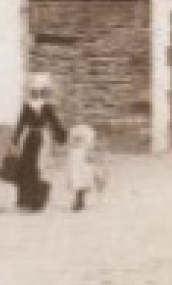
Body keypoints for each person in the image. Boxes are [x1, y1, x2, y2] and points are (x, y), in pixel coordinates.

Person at [11, 72, 67, 213]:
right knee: (30, 167)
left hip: (39, 138)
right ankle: (29, 201)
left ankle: (36, 200)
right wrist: (16, 138)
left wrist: (61, 135)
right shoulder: (30, 106)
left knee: (38, 167)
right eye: (34, 91)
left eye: (39, 91)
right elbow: (21, 123)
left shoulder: (45, 107)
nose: (37, 94)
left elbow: (54, 122)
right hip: (33, 138)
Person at [64, 123, 106, 212]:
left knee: (85, 178)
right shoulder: (74, 131)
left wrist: (91, 154)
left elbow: (91, 146)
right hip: (75, 157)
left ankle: (81, 198)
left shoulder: (89, 132)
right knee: (77, 179)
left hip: (84, 156)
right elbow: (69, 144)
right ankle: (79, 199)